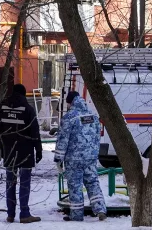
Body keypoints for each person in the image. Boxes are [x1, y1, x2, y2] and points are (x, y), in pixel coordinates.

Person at [54, 91, 107, 222]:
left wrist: (58, 159)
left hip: (74, 159)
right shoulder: (93, 116)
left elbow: (63, 140)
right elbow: (97, 136)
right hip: (90, 158)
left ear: (70, 102)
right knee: (93, 182)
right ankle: (100, 209)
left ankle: (76, 216)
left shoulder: (69, 117)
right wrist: (94, 153)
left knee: (75, 186)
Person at [0, 84, 42, 224]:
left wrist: (3, 149)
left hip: (9, 151)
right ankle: (24, 214)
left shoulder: (3, 108)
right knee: (25, 183)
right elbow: (34, 131)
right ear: (23, 94)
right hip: (25, 151)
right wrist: (38, 150)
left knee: (10, 183)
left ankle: (10, 214)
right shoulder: (28, 109)